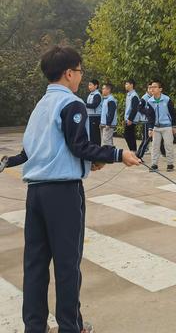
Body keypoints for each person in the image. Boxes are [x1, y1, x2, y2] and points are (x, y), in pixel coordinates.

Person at [0, 46, 140, 333]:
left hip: (35, 194)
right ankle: (70, 327)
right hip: (62, 194)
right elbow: (79, 145)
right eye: (79, 71)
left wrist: (90, 161)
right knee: (67, 265)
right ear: (68, 73)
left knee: (35, 264)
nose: (81, 76)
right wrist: (117, 155)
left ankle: (34, 327)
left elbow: (32, 151)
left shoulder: (40, 106)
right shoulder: (71, 103)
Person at [147, 80, 176, 171]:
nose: (152, 89)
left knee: (168, 146)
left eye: (155, 87)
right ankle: (154, 165)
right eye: (151, 87)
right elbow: (150, 117)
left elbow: (173, 113)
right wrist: (150, 128)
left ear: (160, 89)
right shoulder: (150, 101)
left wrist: (174, 126)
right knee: (155, 147)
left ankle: (170, 164)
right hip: (156, 127)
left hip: (167, 126)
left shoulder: (167, 99)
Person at [136, 82, 154, 159]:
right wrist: (147, 112)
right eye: (149, 88)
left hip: (152, 121)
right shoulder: (144, 98)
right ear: (147, 89)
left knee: (147, 139)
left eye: (152, 88)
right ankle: (139, 156)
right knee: (146, 139)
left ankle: (138, 155)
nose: (151, 89)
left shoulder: (154, 97)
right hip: (146, 122)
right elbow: (139, 108)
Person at [124, 79, 141, 152]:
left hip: (131, 120)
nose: (125, 86)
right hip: (129, 119)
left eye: (127, 84)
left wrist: (130, 119)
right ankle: (133, 151)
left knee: (128, 135)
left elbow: (135, 108)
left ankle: (133, 151)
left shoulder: (134, 95)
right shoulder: (129, 94)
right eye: (125, 84)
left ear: (132, 85)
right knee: (129, 135)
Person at [85, 79, 102, 145]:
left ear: (96, 86)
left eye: (91, 85)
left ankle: (97, 149)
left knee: (95, 135)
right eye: (89, 85)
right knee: (91, 134)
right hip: (90, 116)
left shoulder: (97, 95)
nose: (89, 86)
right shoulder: (91, 94)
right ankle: (92, 149)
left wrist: (84, 104)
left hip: (95, 117)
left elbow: (94, 105)